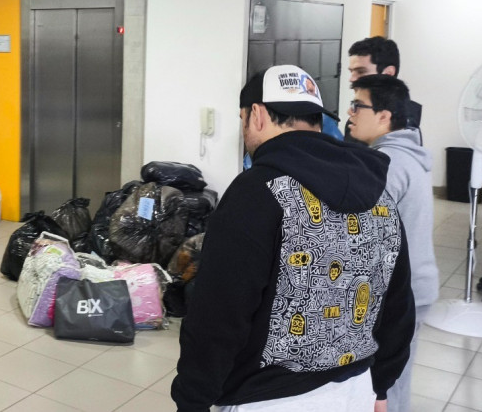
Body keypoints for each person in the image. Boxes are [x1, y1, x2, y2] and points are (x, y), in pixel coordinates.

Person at [172, 65, 415, 412]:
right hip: (356, 391)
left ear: (255, 115)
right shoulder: (378, 192)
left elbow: (218, 315)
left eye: (242, 119)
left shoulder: (256, 192)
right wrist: (381, 388)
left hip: (267, 398)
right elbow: (397, 301)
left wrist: (191, 401)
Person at [347, 75, 438, 412]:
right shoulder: (407, 154)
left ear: (384, 116)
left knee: (386, 388)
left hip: (401, 293)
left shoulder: (389, 163)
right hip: (415, 287)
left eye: (358, 105)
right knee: (395, 382)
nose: (350, 113)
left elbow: (367, 235)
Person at [346, 37, 422, 138]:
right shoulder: (359, 117)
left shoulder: (403, 128)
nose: (352, 79)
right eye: (351, 72)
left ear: (388, 73)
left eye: (361, 72)